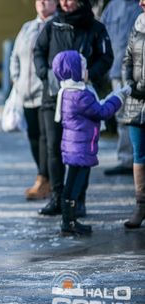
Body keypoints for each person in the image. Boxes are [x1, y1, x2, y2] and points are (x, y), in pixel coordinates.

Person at [34, 0, 113, 217]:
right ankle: (57, 197)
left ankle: (78, 199)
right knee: (54, 148)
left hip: (82, 99)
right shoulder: (52, 25)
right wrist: (45, 74)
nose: (65, 3)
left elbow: (106, 57)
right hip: (54, 97)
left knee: (80, 151)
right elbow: (38, 51)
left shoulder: (95, 27)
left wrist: (90, 73)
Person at [51, 50, 129, 235]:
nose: (87, 71)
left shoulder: (68, 91)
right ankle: (68, 222)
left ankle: (68, 220)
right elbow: (101, 112)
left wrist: (110, 97)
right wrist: (119, 97)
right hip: (81, 148)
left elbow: (95, 108)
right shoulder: (80, 95)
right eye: (84, 68)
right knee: (74, 186)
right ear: (75, 70)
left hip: (74, 147)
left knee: (71, 184)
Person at [10, 0, 57, 200]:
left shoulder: (57, 27)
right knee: (33, 137)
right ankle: (42, 177)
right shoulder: (27, 27)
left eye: (48, 0)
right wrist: (17, 81)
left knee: (47, 140)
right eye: (39, 0)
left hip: (45, 93)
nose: (43, 3)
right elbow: (14, 57)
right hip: (25, 93)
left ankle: (47, 179)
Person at [101, 0, 141, 176]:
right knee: (122, 116)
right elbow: (101, 34)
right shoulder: (112, 7)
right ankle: (127, 160)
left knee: (139, 117)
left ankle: (139, 160)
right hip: (117, 71)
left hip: (140, 73)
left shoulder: (141, 4)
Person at [120, 7, 145, 229]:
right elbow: (127, 58)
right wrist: (128, 82)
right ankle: (141, 205)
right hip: (136, 101)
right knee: (139, 153)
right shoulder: (138, 23)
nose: (141, 2)